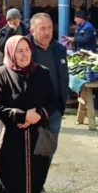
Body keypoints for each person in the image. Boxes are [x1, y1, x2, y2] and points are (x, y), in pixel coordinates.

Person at [0, 36, 58, 193]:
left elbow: (53, 101)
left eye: (26, 49)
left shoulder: (41, 73)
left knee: (33, 182)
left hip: (37, 139)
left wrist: (37, 114)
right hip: (9, 140)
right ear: (10, 52)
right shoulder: (0, 74)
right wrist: (21, 115)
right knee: (9, 185)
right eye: (18, 51)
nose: (24, 54)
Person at [28, 13, 70, 162]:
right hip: (32, 111)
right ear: (32, 31)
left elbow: (63, 76)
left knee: (49, 149)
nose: (47, 32)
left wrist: (61, 104)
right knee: (30, 150)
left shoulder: (59, 49)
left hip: (54, 109)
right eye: (42, 28)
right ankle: (30, 183)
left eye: (50, 28)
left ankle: (40, 182)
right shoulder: (25, 48)